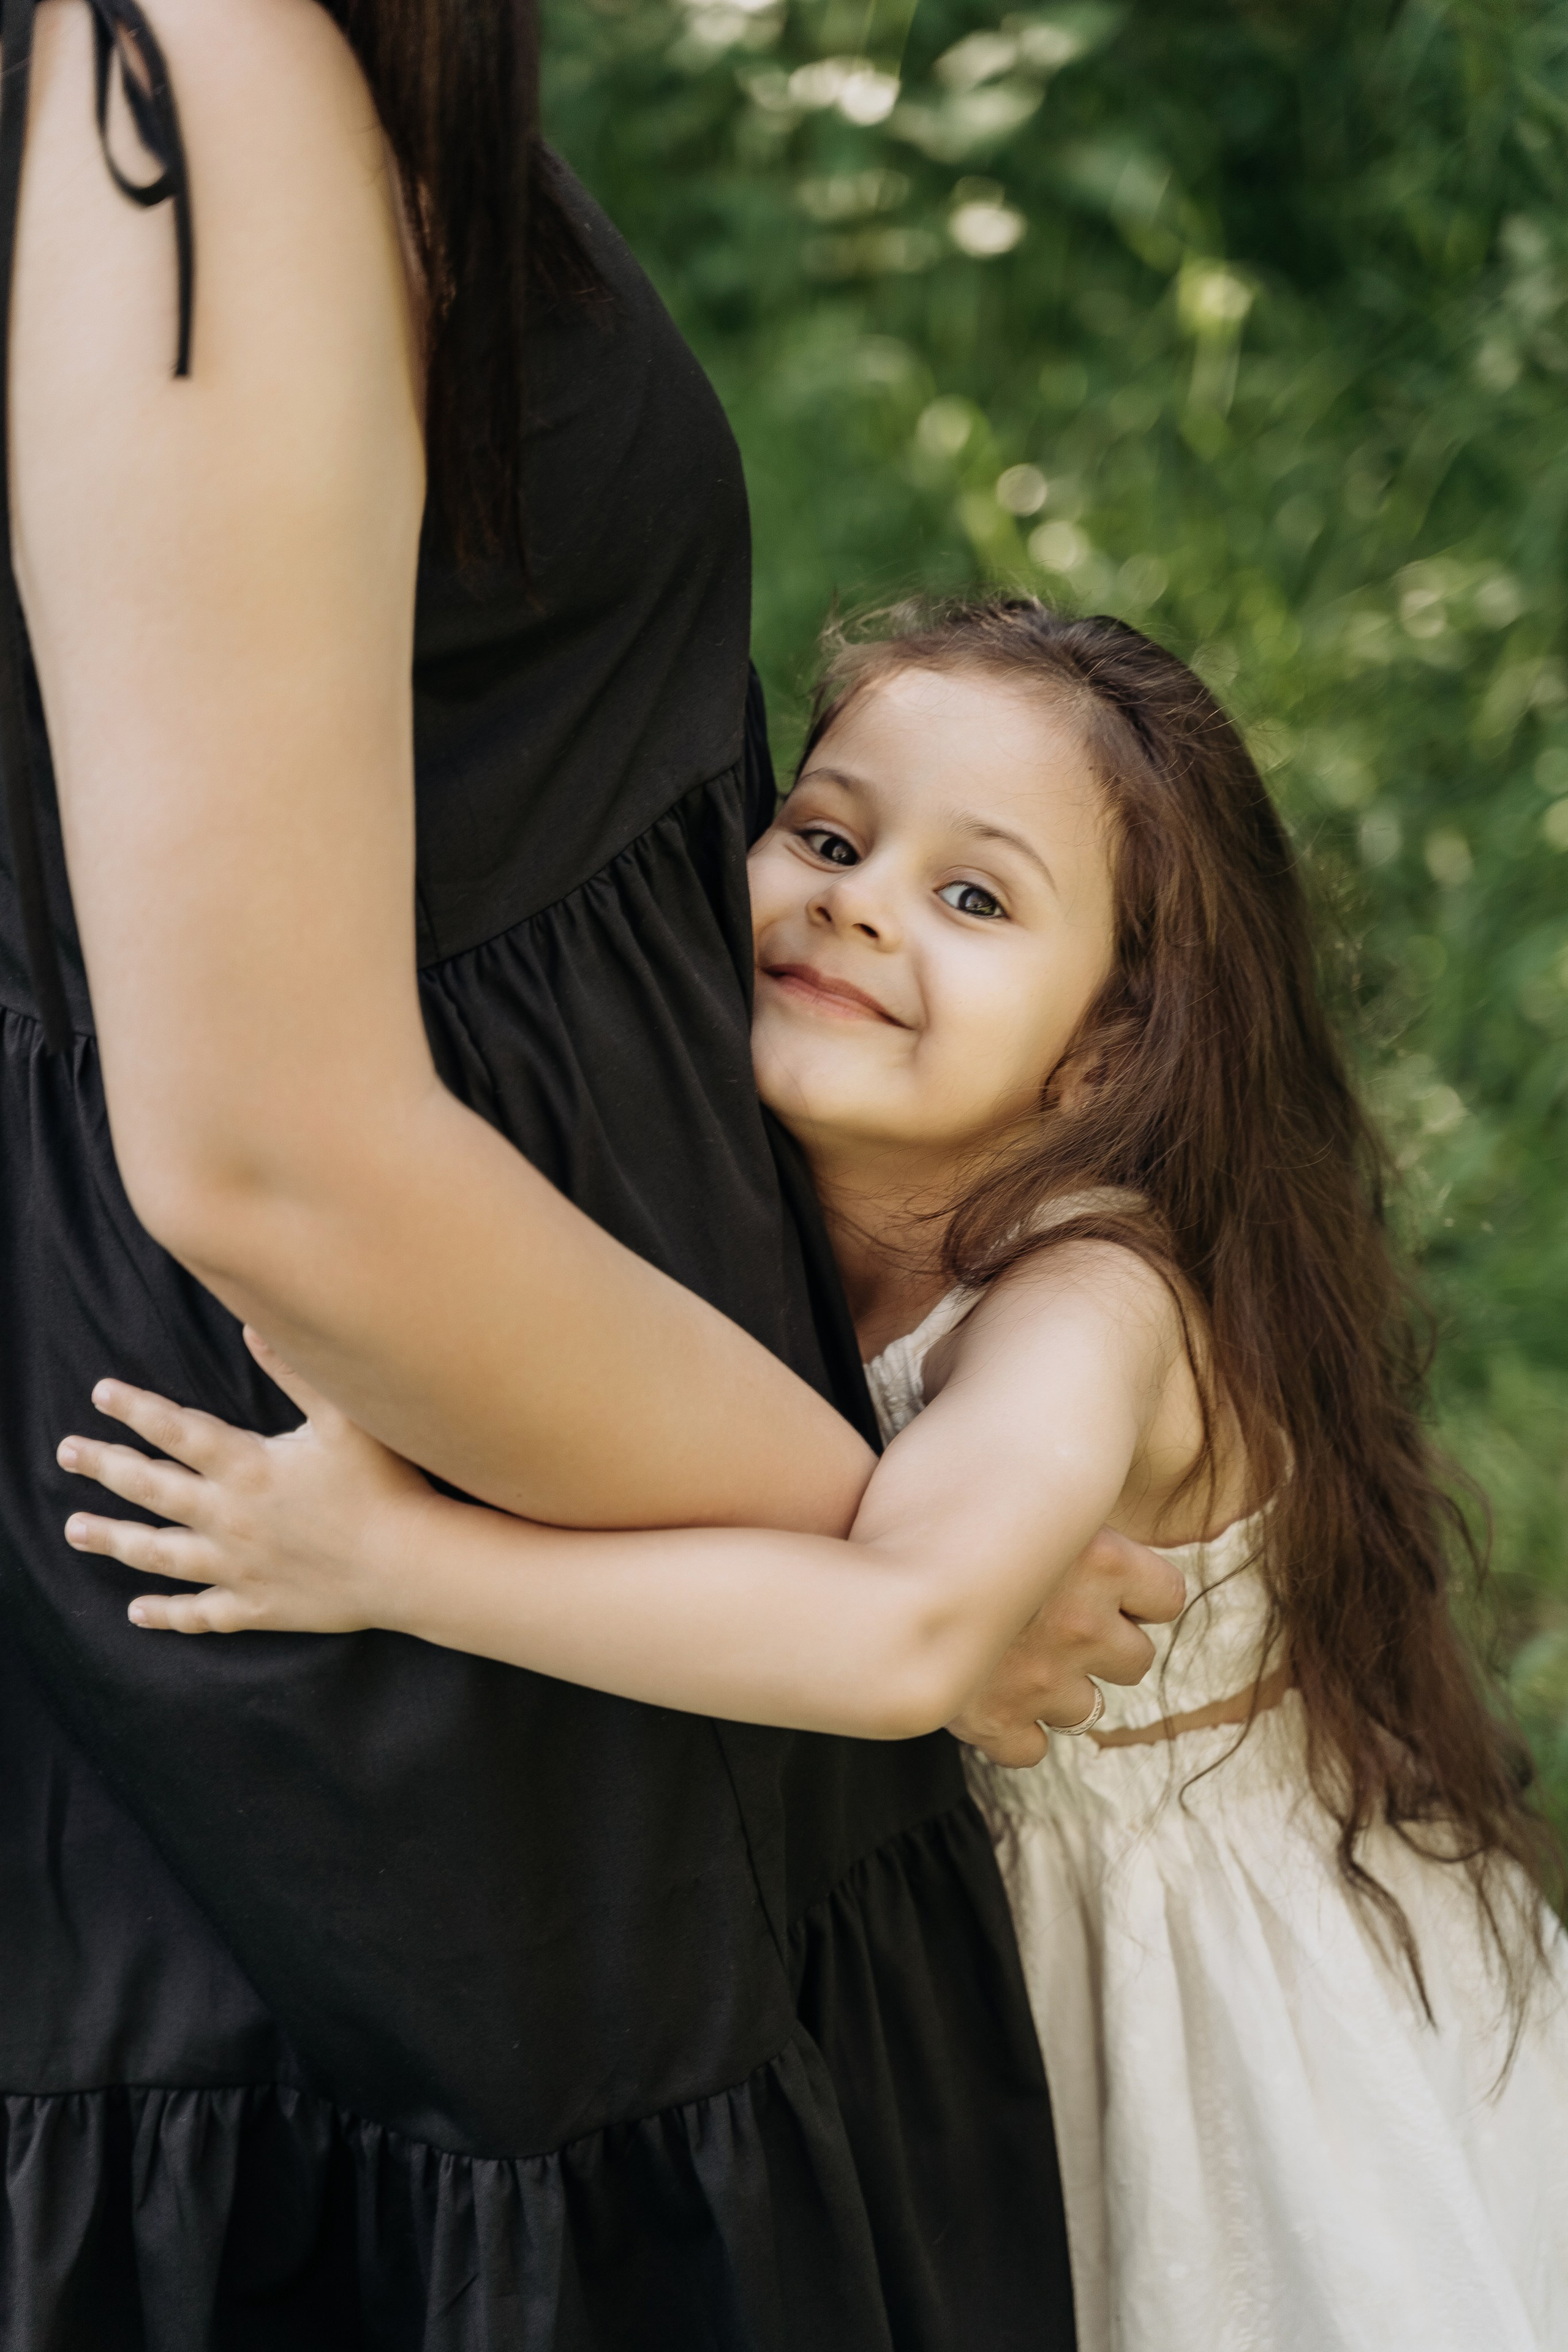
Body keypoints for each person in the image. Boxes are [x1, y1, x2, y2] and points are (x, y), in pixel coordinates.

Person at [0, 6, 1177, 2341]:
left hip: (541, 1554)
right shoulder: (187, 68)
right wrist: (881, 1553)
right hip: (434, 1660)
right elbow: (275, 1160)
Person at [69, 600, 1568, 2352]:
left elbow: (901, 1636)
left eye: (975, 898)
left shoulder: (1094, 1304)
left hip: (1198, 2012)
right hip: (933, 1967)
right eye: (833, 839)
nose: (858, 903)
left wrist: (390, 1561)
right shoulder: (747, 1231)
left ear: (1108, 1046)